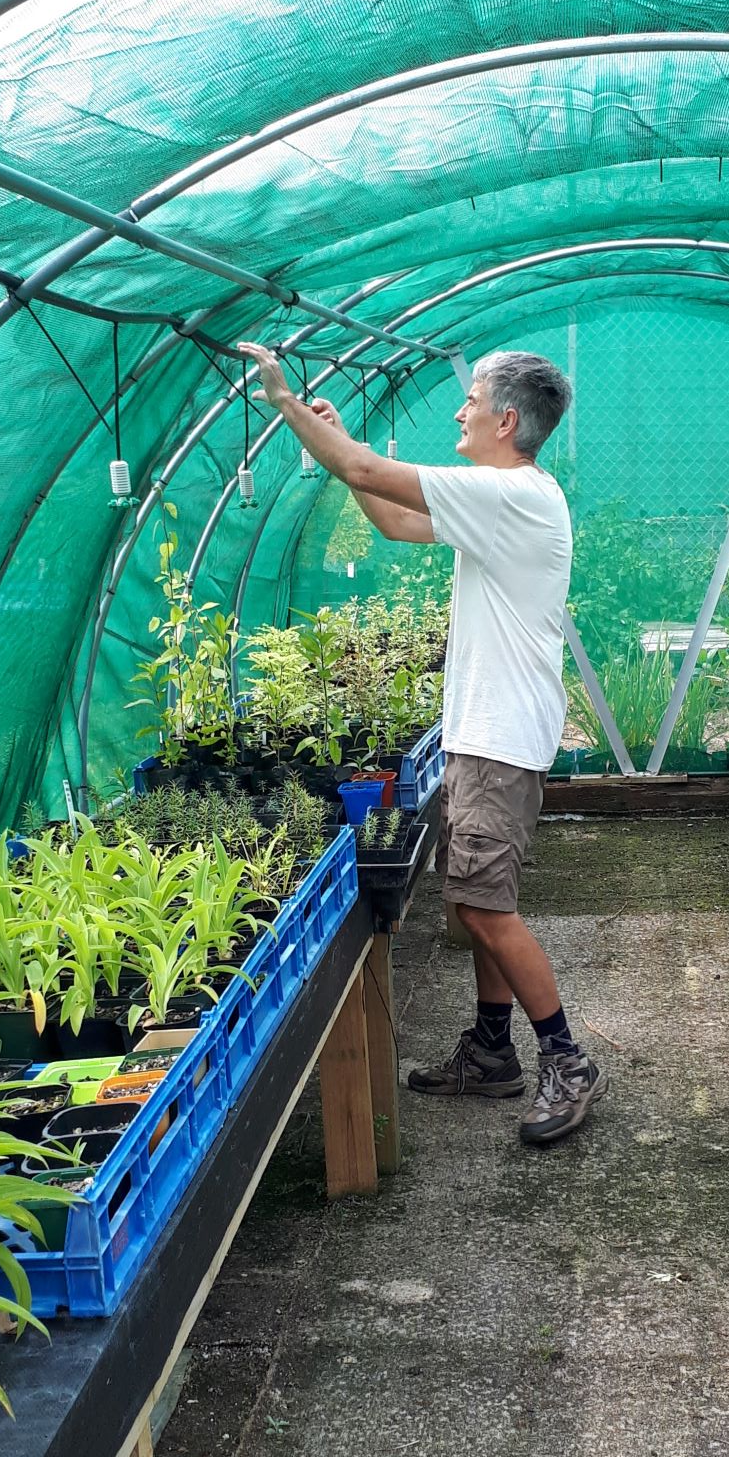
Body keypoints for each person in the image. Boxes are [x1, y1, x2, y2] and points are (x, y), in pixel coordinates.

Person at [237, 342, 606, 1145]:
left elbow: (368, 471)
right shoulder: (504, 498)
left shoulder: (512, 493)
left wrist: (286, 402)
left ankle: (568, 1059)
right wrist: (340, 449)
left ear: (506, 420)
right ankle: (491, 1049)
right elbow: (397, 520)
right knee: (476, 904)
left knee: (484, 907)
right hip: (487, 733)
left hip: (501, 739)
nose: (460, 410)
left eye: (473, 399)